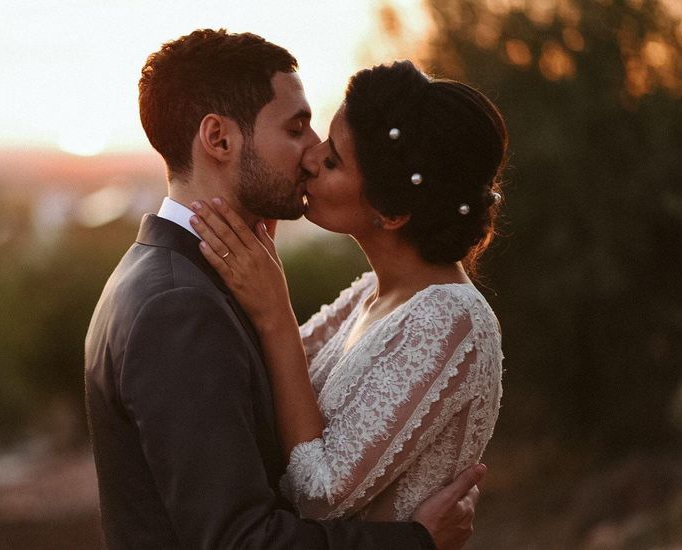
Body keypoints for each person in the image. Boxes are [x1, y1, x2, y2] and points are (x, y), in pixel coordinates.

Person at [85, 30, 483, 549]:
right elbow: (241, 540)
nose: (314, 150)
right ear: (219, 139)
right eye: (296, 128)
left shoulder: (176, 276)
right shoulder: (178, 305)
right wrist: (414, 541)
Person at [187, 60, 506, 523]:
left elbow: (319, 495)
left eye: (333, 160)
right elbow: (265, 386)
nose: (311, 158)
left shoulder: (451, 320)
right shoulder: (371, 294)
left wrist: (277, 311)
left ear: (392, 212)